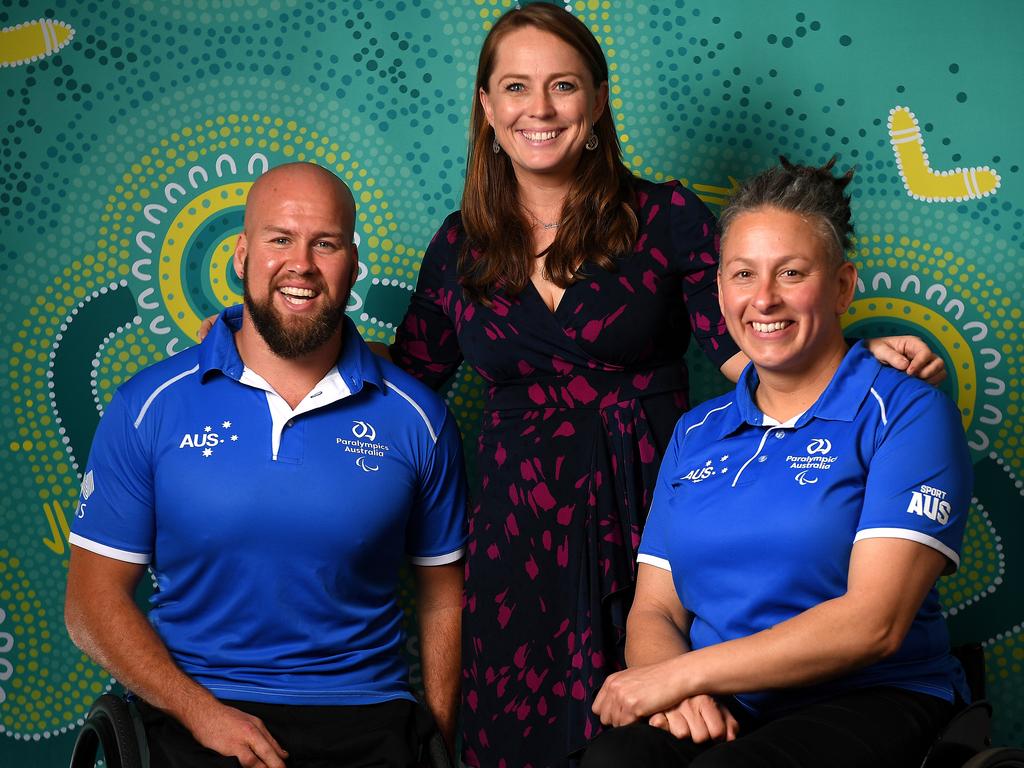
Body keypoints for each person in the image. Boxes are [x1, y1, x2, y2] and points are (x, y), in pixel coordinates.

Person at [382, 6, 945, 767]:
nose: (539, 109)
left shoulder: (666, 216)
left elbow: (757, 347)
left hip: (645, 498)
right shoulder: (458, 246)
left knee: (655, 718)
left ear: (599, 99)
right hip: (517, 529)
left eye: (563, 86)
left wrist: (856, 362)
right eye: (516, 87)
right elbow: (403, 394)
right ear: (486, 106)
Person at [65, 162, 468, 768]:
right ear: (241, 255)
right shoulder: (148, 405)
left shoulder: (419, 417)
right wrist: (201, 712)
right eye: (280, 239)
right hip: (193, 710)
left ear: (352, 265)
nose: (300, 264)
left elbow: (443, 597)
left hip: (366, 716)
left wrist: (436, 736)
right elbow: (91, 602)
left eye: (325, 244)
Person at [583, 158, 972, 768]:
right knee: (614, 761)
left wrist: (683, 675)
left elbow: (875, 623)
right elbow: (655, 607)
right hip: (725, 696)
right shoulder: (696, 432)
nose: (763, 298)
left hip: (873, 694)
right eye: (743, 274)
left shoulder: (909, 412)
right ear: (719, 292)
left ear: (842, 286)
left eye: (791, 273)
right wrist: (677, 687)